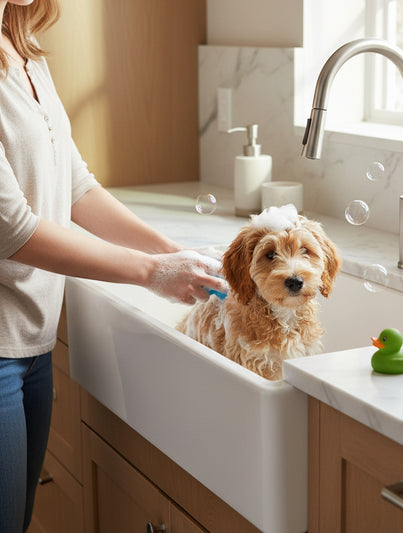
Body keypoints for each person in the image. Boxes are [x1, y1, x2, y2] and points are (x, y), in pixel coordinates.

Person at [0, 1, 228, 531]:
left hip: (33, 343)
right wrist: (151, 273)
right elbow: (13, 231)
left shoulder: (25, 50)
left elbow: (76, 185)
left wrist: (172, 255)